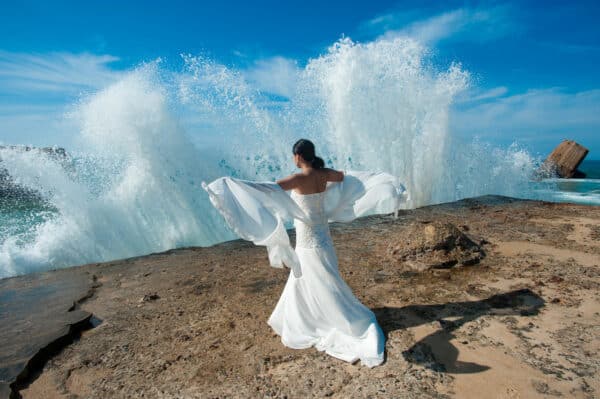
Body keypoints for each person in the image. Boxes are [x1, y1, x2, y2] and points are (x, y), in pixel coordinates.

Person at [202, 139, 407, 367]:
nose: (293, 159)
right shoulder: (324, 174)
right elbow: (344, 177)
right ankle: (314, 316)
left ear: (298, 156)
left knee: (312, 279)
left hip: (307, 241)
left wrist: (230, 185)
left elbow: (267, 188)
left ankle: (322, 320)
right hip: (324, 238)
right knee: (323, 278)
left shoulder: (299, 178)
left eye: (293, 155)